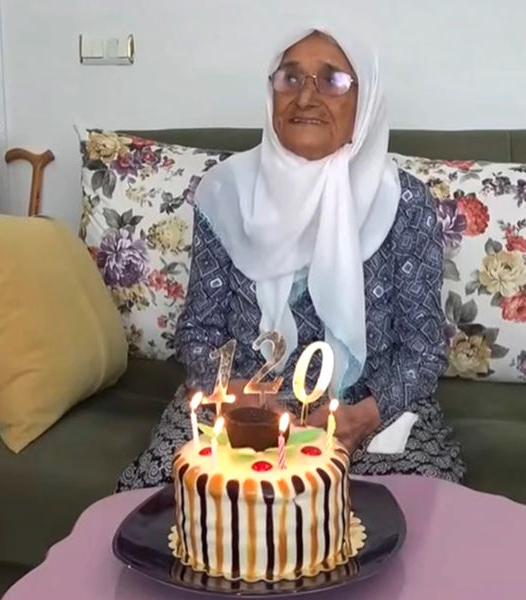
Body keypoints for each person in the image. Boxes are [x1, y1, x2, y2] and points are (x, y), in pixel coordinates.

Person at [116, 28, 464, 491]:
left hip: (370, 412)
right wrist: (236, 398)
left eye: (333, 80)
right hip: (240, 410)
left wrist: (363, 417)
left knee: (414, 509)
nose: (306, 97)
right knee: (164, 496)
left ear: (365, 100)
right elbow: (199, 331)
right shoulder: (226, 193)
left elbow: (422, 349)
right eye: (290, 78)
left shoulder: (404, 202)